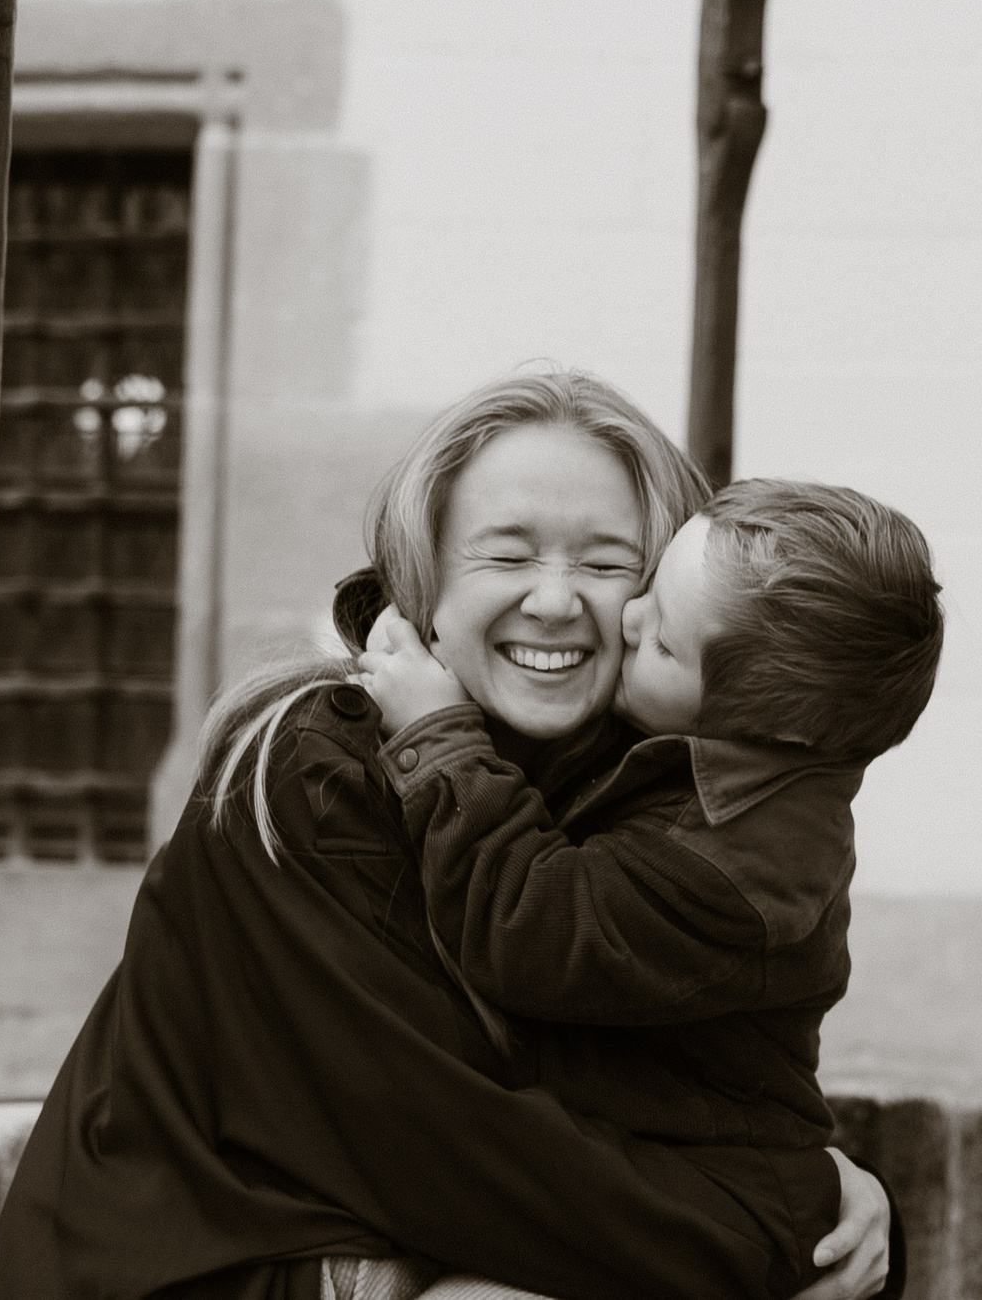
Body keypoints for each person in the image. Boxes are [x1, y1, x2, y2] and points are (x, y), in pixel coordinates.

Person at [0, 370, 898, 1300]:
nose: (554, 599)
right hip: (209, 1261)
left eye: (607, 560)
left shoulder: (656, 789)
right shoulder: (312, 766)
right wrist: (785, 1217)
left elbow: (646, 1081)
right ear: (424, 576)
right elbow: (441, 1134)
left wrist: (823, 1186)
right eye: (506, 556)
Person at [349, 477, 942, 1289]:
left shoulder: (735, 868)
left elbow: (527, 928)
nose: (627, 617)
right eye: (652, 585)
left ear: (771, 731)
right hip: (642, 1166)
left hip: (707, 1198)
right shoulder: (703, 749)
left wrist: (439, 735)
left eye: (663, 642)